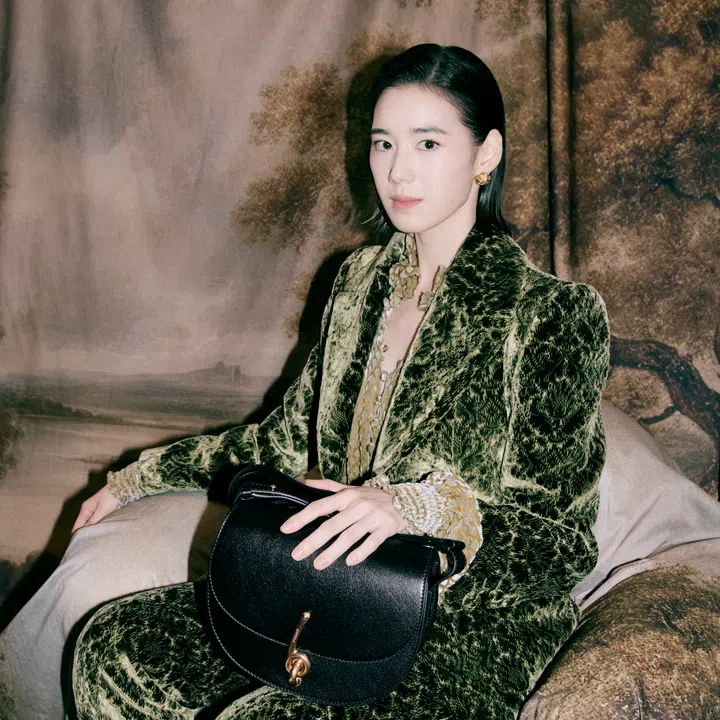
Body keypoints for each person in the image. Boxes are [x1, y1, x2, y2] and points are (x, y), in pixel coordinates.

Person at [73, 43, 610, 718]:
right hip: (331, 586)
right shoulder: (357, 285)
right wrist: (136, 478)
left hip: (469, 625)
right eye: (384, 143)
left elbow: (559, 544)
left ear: (486, 154)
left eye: (428, 143)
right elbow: (280, 440)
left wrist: (417, 511)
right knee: (114, 648)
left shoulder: (551, 314)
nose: (398, 170)